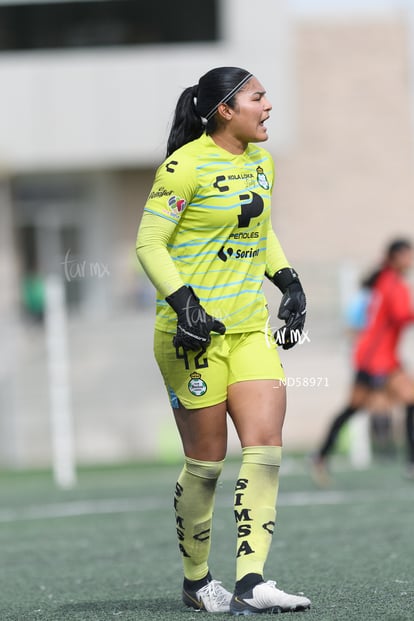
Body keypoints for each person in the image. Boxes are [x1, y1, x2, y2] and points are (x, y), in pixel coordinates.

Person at [136, 66, 310, 615]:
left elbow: (260, 231)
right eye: (259, 97)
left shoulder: (262, 162)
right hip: (190, 337)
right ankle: (196, 581)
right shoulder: (183, 167)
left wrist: (288, 280)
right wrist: (184, 301)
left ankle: (252, 581)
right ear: (226, 110)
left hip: (249, 331)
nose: (269, 106)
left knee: (265, 450)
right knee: (206, 466)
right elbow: (149, 243)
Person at [312, 238, 414, 486]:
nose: (410, 260)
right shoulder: (392, 283)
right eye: (407, 255)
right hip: (375, 360)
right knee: (355, 408)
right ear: (395, 258)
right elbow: (403, 315)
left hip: (381, 358)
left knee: (357, 408)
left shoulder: (387, 280)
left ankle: (320, 457)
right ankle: (320, 457)